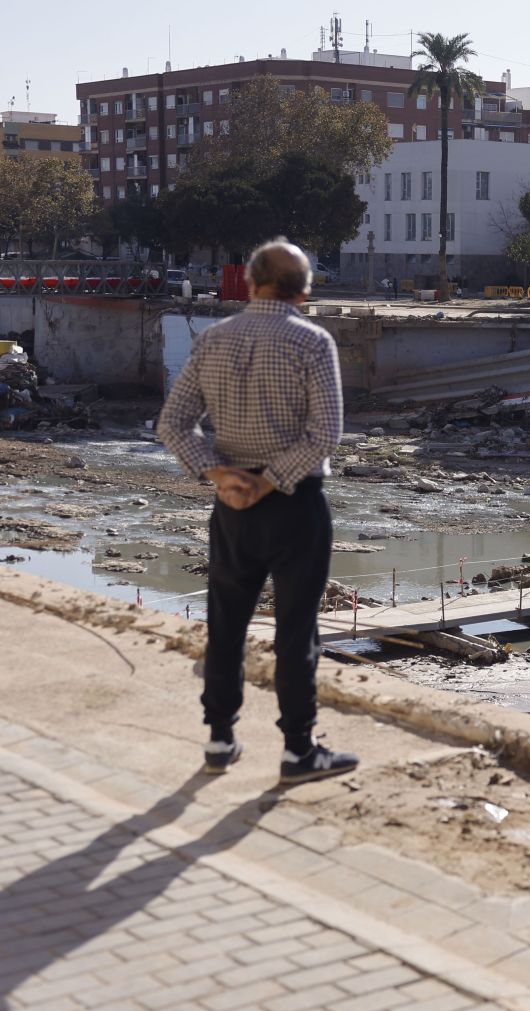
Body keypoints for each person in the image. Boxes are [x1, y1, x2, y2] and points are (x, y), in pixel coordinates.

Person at [156, 238, 357, 785]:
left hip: (232, 508)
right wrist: (268, 482)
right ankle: (298, 750)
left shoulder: (215, 339)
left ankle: (220, 738)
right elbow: (327, 435)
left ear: (249, 283)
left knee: (226, 623)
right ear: (306, 290)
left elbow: (172, 425)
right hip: (294, 505)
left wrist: (221, 475)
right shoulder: (313, 342)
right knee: (297, 630)